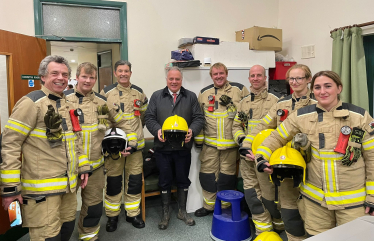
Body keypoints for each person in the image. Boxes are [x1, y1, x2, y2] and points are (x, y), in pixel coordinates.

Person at [255, 70, 374, 237]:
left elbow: (372, 159)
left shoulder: (359, 117)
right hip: (315, 202)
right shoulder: (301, 116)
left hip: (353, 203)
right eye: (317, 87)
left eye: (328, 86)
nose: (322, 91)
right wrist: (261, 158)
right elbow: (275, 137)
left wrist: (372, 196)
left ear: (339, 88)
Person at [0, 55, 91, 240]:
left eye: (65, 74)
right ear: (42, 76)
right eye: (54, 73)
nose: (61, 78)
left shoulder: (68, 105)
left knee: (66, 232)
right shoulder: (30, 104)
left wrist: (83, 167)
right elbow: (9, 145)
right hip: (42, 195)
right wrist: (10, 189)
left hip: (68, 190)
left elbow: (76, 141)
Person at [240, 64, 316, 241]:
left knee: (307, 213)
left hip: (309, 166)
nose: (295, 82)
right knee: (287, 210)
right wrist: (247, 145)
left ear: (308, 79)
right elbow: (262, 126)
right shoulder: (281, 104)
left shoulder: (317, 104)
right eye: (291, 79)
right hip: (282, 165)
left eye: (299, 78)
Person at [65, 62, 129, 241]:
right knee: (65, 213)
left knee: (93, 208)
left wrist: (126, 142)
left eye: (91, 77)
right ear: (77, 77)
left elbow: (122, 122)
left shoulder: (102, 101)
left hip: (96, 167)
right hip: (70, 168)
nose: (88, 80)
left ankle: (89, 238)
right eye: (84, 77)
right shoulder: (64, 99)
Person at [144, 66, 204, 230]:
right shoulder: (157, 96)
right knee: (164, 180)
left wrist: (193, 130)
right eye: (171, 79)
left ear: (181, 80)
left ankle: (182, 211)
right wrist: (157, 130)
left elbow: (198, 117)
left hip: (183, 148)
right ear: (166, 80)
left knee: (183, 179)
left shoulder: (190, 96)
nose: (174, 82)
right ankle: (165, 213)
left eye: (177, 79)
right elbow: (149, 117)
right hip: (162, 148)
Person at [231, 65, 283, 235]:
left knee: (270, 194)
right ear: (249, 79)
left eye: (259, 75)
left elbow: (282, 129)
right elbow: (236, 126)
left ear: (265, 78)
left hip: (267, 157)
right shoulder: (243, 102)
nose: (255, 78)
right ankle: (263, 230)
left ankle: (279, 226)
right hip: (248, 157)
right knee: (252, 193)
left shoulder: (277, 101)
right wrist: (242, 141)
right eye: (252, 76)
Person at [194, 62, 249, 217]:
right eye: (215, 74)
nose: (218, 76)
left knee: (227, 178)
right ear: (211, 76)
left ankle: (225, 207)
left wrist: (244, 141)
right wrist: (199, 141)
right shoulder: (204, 93)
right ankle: (209, 207)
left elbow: (246, 115)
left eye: (221, 73)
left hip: (231, 146)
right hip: (209, 146)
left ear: (226, 73)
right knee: (207, 177)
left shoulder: (239, 89)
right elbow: (199, 118)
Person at [100, 60, 148, 232]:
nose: (123, 74)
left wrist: (134, 141)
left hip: (136, 148)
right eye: (120, 71)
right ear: (115, 73)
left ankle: (132, 213)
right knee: (114, 182)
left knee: (134, 182)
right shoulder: (106, 93)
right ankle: (112, 216)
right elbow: (102, 119)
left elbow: (143, 117)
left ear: (130, 73)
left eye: (126, 71)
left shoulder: (139, 92)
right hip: (114, 148)